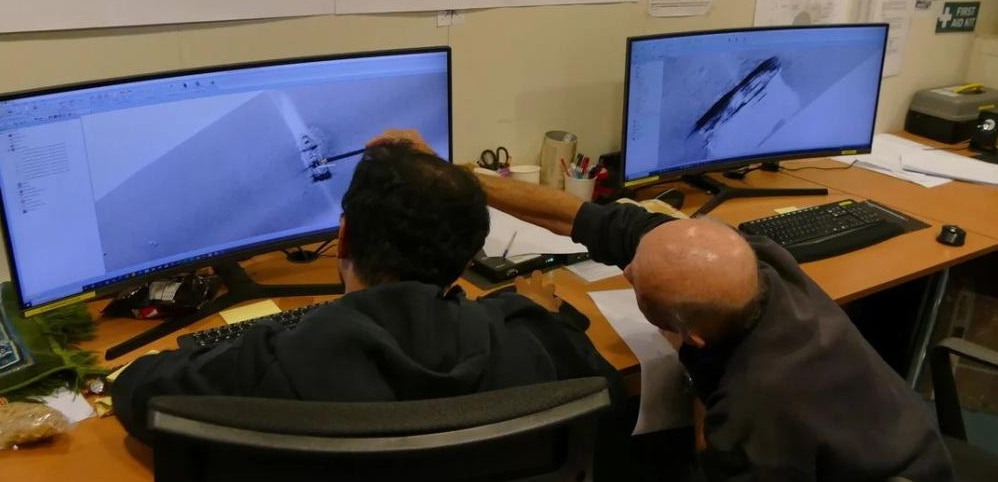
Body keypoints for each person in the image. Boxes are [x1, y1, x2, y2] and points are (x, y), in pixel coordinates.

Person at [371, 130, 955, 481]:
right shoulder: (759, 260)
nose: (623, 268)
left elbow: (709, 457)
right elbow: (573, 216)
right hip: (889, 437)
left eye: (633, 283)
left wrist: (697, 379)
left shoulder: (750, 419)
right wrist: (449, 174)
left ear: (691, 337)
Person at [112, 141, 624, 458]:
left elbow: (138, 394)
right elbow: (610, 403)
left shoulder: (277, 356)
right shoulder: (531, 339)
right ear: (469, 256)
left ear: (345, 237)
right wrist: (544, 313)